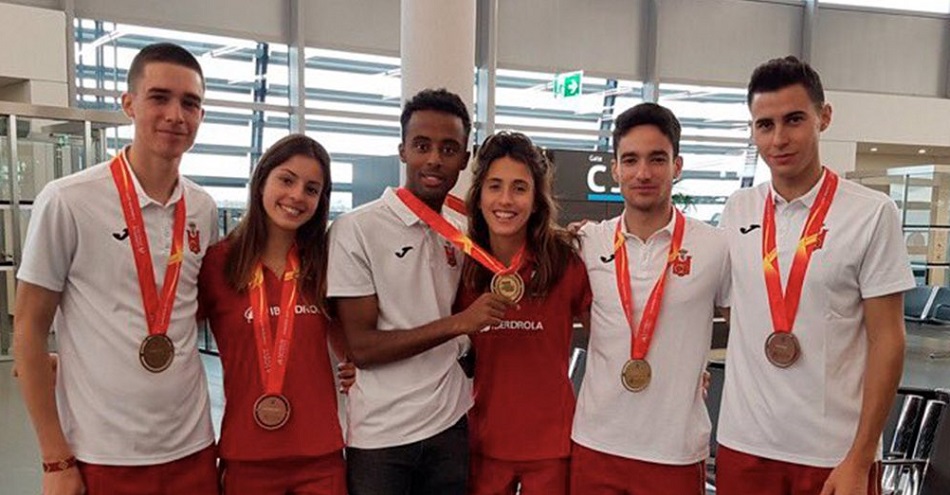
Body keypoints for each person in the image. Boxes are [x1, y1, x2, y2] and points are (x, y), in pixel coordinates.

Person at [13, 42, 218, 495]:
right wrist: (55, 458)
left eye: (190, 102)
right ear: (128, 104)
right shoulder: (68, 200)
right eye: (159, 97)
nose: (175, 115)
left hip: (195, 446)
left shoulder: (202, 208)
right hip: (101, 454)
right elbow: (27, 327)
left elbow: (195, 310)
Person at [715, 55, 915, 495]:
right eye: (764, 125)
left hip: (832, 455)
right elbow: (734, 307)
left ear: (824, 117)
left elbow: (888, 339)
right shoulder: (739, 209)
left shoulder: (871, 213)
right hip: (744, 445)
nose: (779, 139)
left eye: (794, 120)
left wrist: (860, 458)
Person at [327, 88, 512, 495]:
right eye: (422, 146)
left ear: (465, 159)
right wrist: (459, 325)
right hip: (381, 436)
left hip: (450, 425)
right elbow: (363, 348)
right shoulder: (356, 229)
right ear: (402, 150)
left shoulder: (466, 230)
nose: (434, 159)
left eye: (449, 149)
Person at [570, 102, 730, 495]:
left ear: (677, 165)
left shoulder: (714, 246)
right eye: (631, 160)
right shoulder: (587, 243)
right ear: (615, 169)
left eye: (657, 159)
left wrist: (693, 366)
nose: (643, 173)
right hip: (596, 442)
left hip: (673, 450)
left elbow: (747, 326)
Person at [198, 134, 348, 494]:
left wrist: (357, 364)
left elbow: (353, 338)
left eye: (312, 189)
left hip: (321, 456)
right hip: (248, 457)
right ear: (261, 179)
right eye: (286, 179)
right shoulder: (219, 263)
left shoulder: (326, 263)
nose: (297, 195)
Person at [454, 131, 591, 495]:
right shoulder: (462, 267)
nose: (505, 200)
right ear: (479, 195)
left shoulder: (566, 261)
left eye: (519, 188)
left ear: (536, 199)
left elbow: (610, 331)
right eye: (494, 186)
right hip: (483, 440)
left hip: (553, 443)